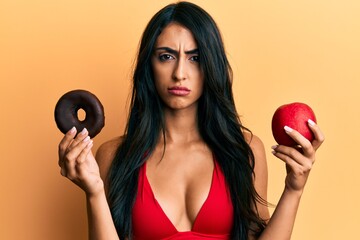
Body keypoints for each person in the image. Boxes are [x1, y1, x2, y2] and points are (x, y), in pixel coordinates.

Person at [58, 2, 325, 240]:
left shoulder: (244, 150)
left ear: (211, 66)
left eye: (195, 58)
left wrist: (293, 188)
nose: (180, 73)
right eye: (166, 56)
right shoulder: (114, 155)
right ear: (148, 65)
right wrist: (93, 191)